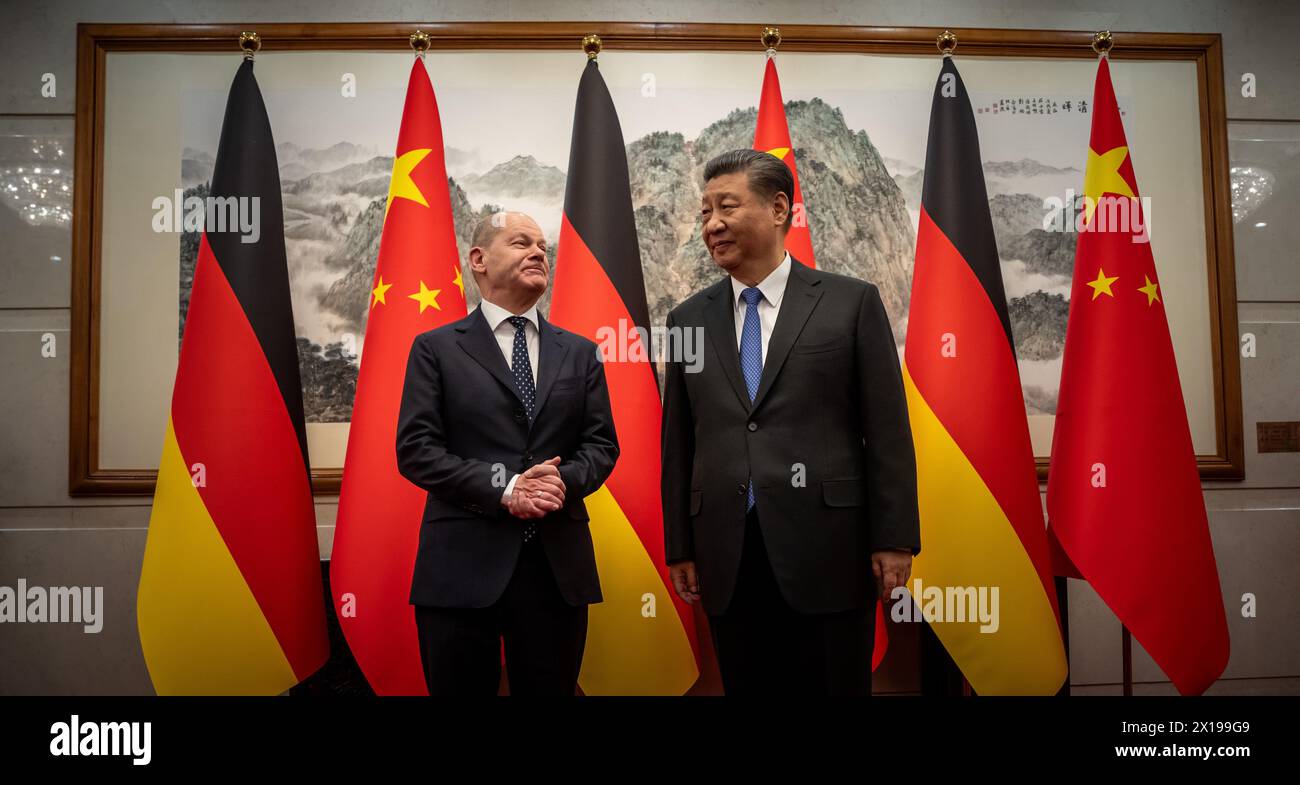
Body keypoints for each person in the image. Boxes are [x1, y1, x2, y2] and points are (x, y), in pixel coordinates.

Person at [661, 149, 920, 695]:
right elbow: (679, 440)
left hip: (830, 545)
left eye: (726, 207)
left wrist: (894, 537)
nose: (712, 225)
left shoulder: (851, 303)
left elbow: (888, 430)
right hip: (727, 551)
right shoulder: (687, 318)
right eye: (705, 211)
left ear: (778, 208)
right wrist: (681, 545)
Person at [396, 211, 618, 695]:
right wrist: (507, 488)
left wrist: (559, 483)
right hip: (460, 569)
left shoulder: (580, 352)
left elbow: (601, 446)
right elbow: (415, 449)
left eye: (544, 247)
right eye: (521, 242)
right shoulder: (436, 349)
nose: (539, 252)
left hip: (556, 569)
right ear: (478, 259)